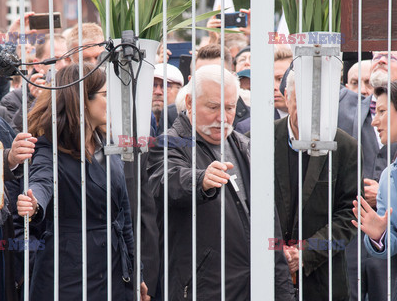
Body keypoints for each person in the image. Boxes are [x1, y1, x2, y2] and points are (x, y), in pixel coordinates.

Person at [147, 64, 293, 300]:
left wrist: (284, 292)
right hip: (201, 290)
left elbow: (270, 228)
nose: (222, 117)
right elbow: (166, 181)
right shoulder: (169, 144)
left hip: (252, 289)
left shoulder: (246, 147)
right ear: (191, 103)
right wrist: (200, 180)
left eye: (229, 108)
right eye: (213, 107)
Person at [16, 63, 148, 300]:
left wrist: (136, 273)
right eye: (106, 95)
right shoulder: (50, 148)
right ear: (82, 101)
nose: (112, 102)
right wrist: (34, 204)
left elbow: (124, 218)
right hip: (69, 276)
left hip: (114, 274)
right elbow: (42, 181)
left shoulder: (107, 145)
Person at [275, 70, 358, 300]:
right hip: (267, 278)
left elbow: (350, 215)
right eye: (302, 101)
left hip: (323, 281)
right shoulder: (257, 141)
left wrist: (304, 253)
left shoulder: (345, 147)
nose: (311, 111)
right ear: (286, 97)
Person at [352, 82, 397, 261]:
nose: (374, 121)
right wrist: (379, 235)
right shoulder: (388, 177)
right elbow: (391, 243)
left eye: (382, 112)